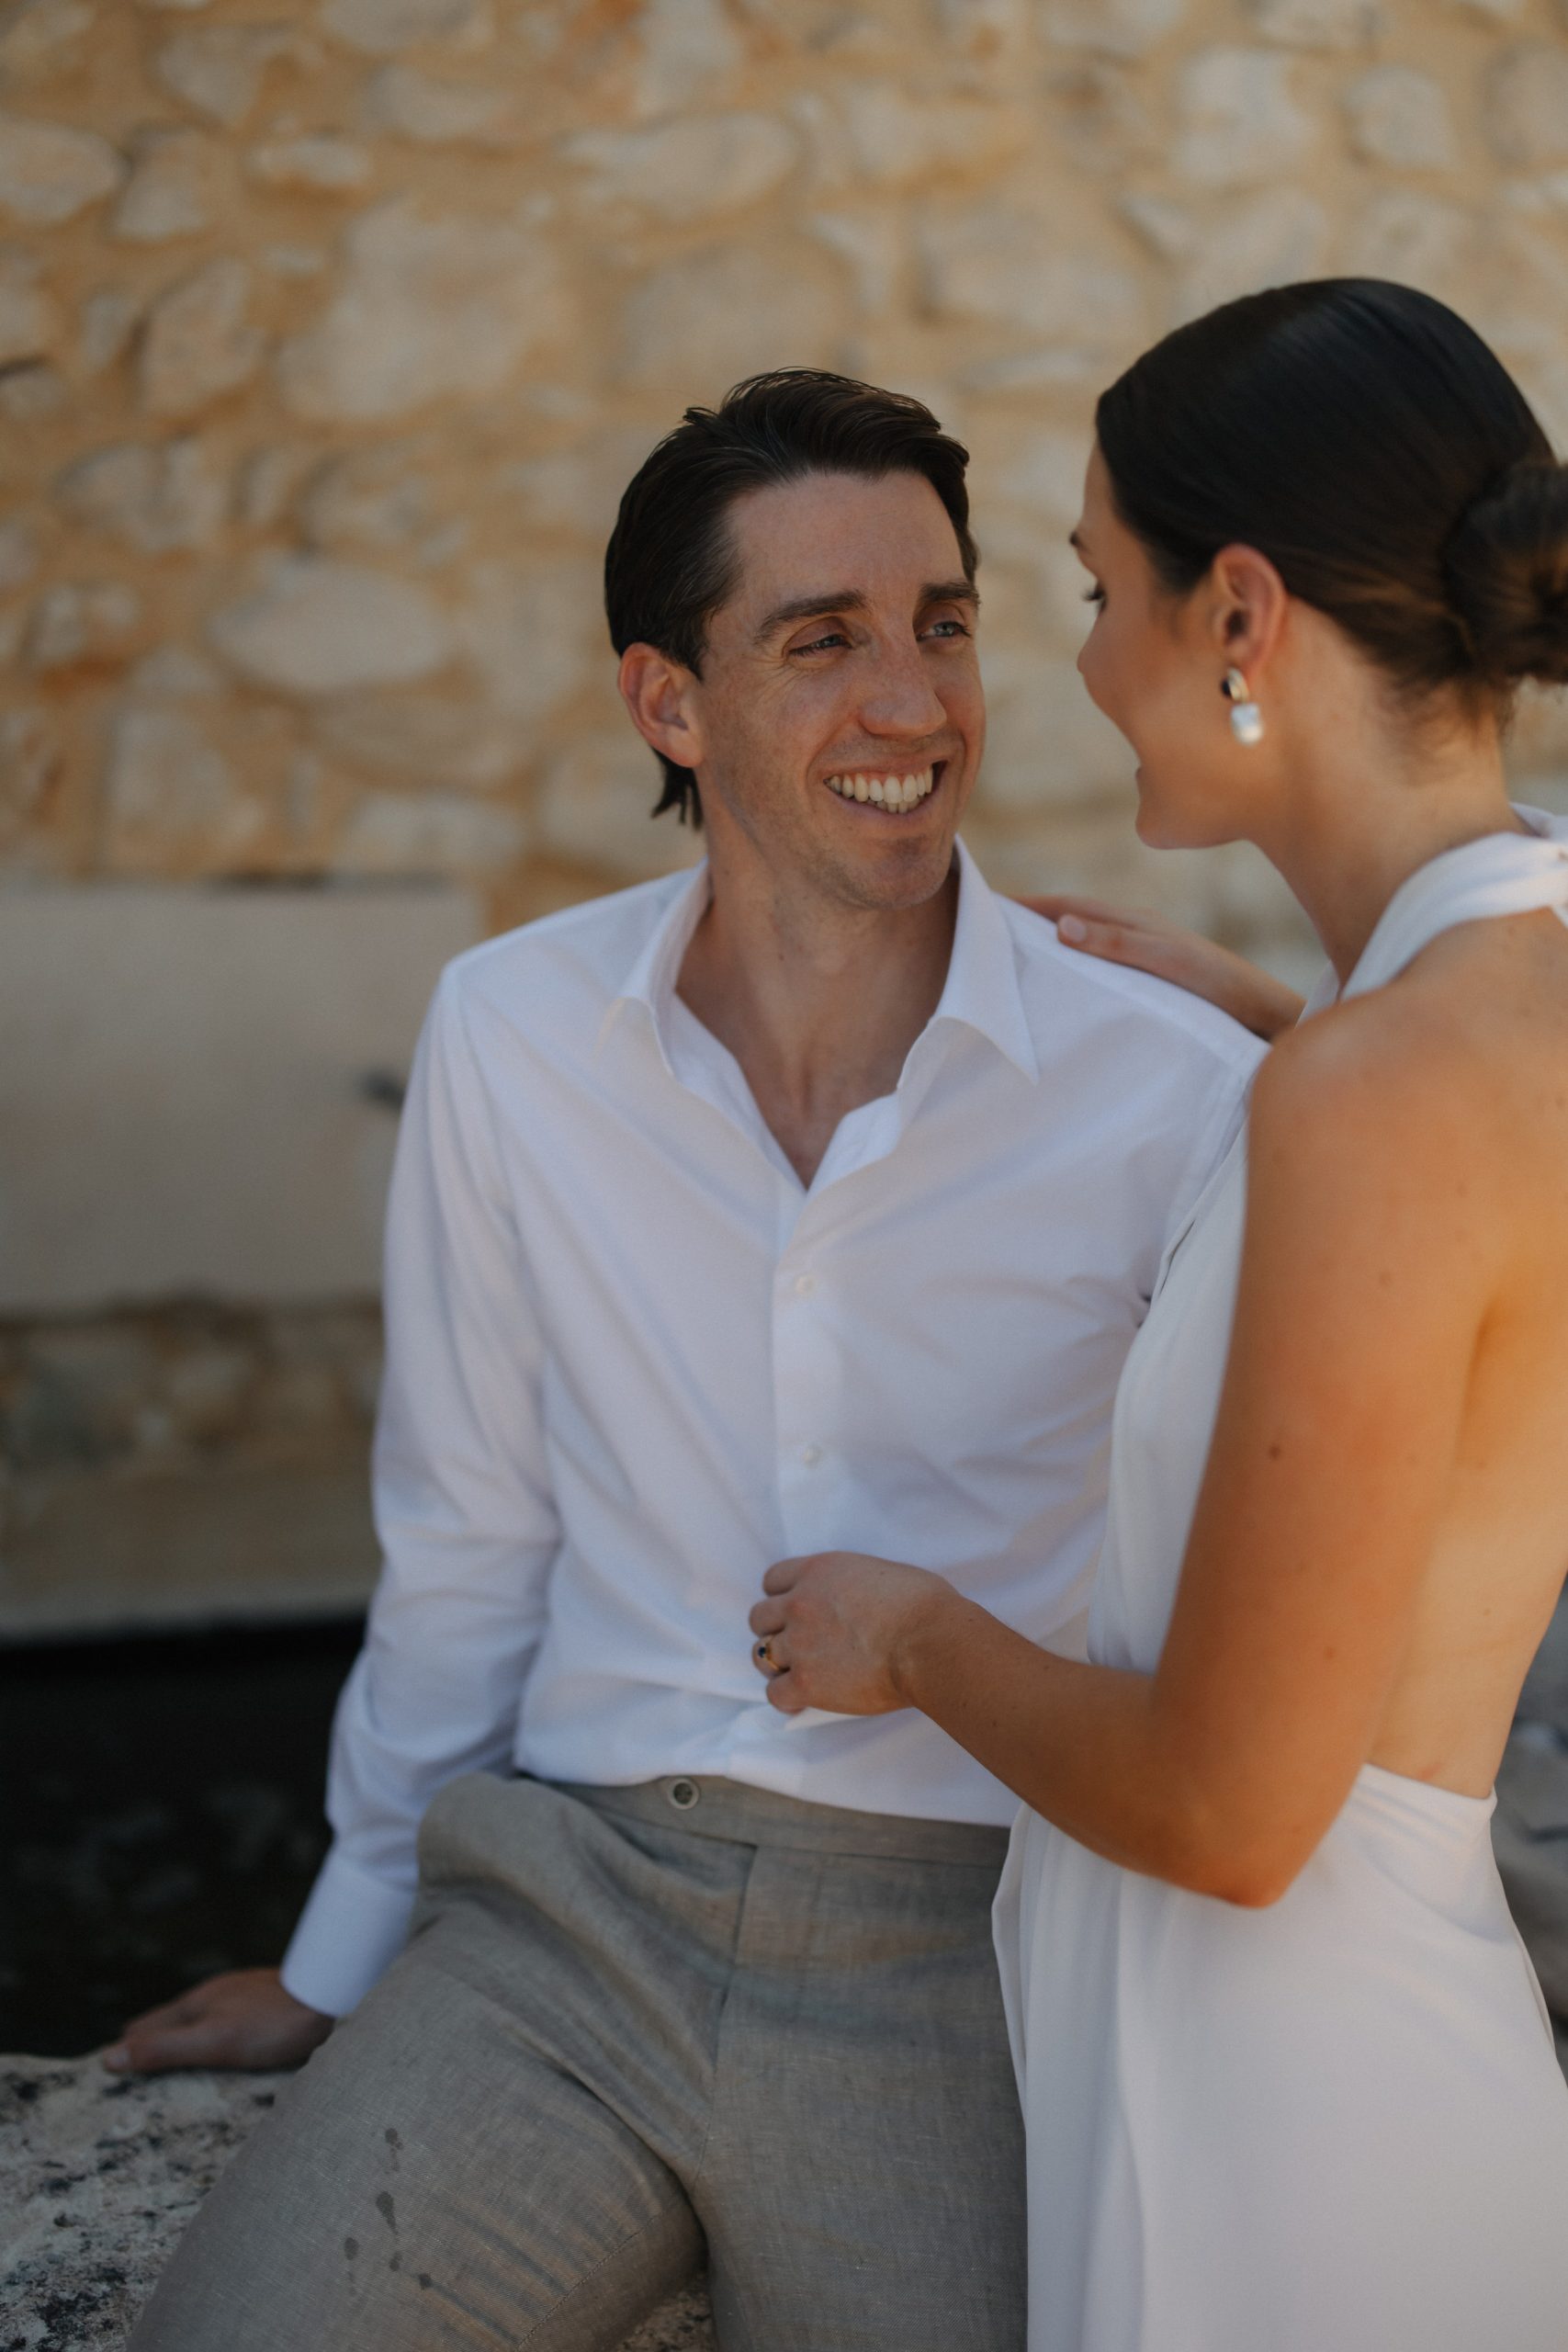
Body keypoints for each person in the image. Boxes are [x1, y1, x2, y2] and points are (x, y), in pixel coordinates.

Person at [120, 370, 1269, 2352]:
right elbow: (468, 1533)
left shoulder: (1169, 1085)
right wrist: (343, 1946)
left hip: (966, 1935)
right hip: (561, 1913)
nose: (910, 703)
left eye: (940, 622)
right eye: (820, 641)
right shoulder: (509, 1030)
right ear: (667, 702)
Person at [750, 281, 1568, 2351]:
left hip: (1291, 2143)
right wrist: (1301, 1033)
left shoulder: (1380, 1093)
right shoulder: (1493, 998)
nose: (1084, 660)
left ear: (1240, 616)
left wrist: (911, 1635)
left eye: (1099, 588)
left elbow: (1226, 1810)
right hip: (1348, 2073)